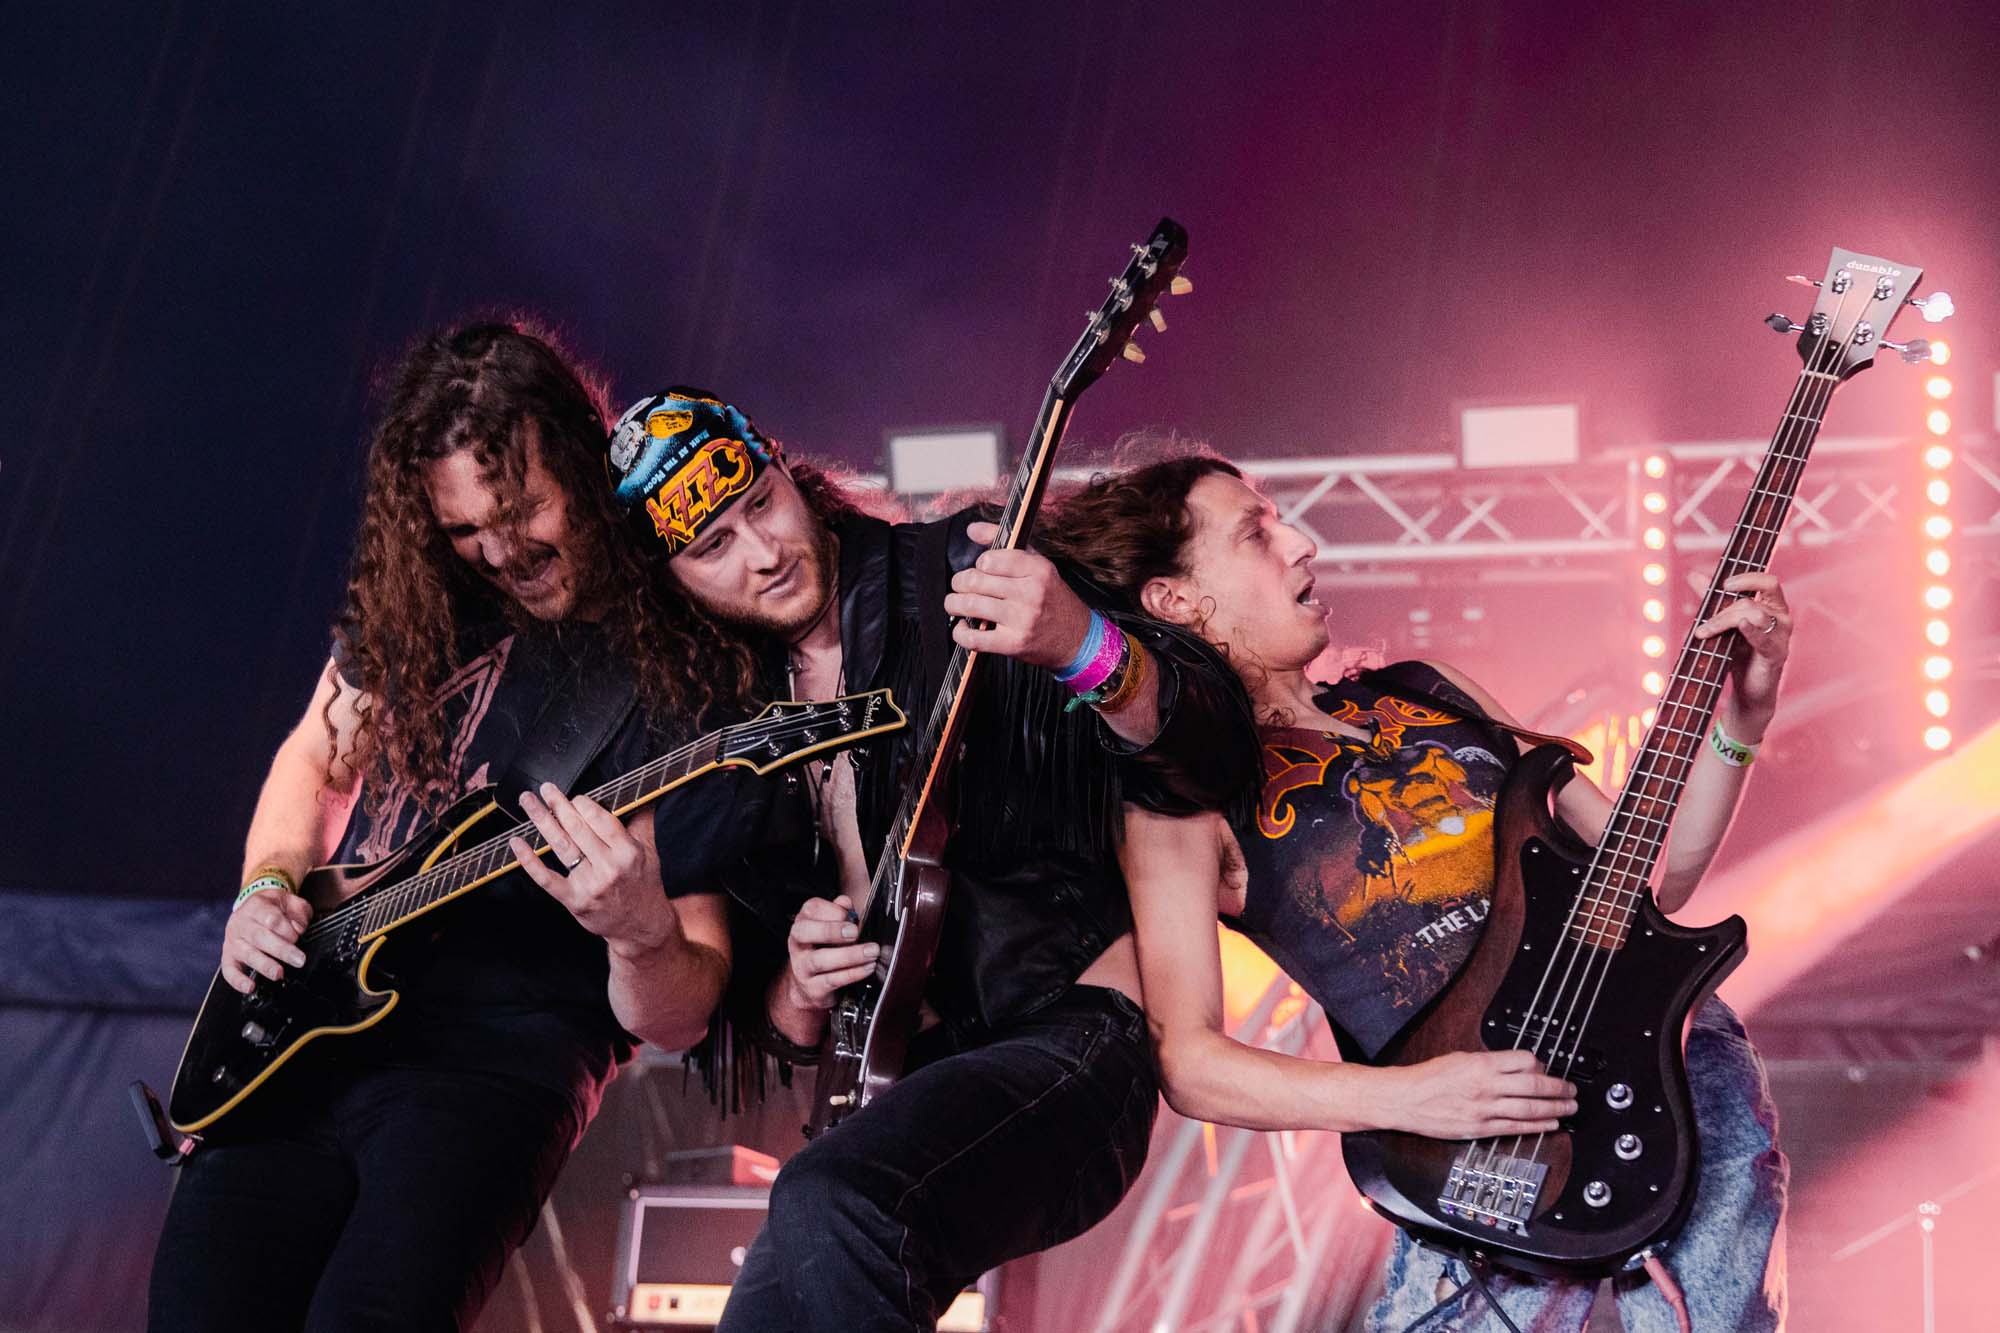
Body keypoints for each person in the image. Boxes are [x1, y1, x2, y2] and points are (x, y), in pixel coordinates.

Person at [1044, 453, 1788, 1332]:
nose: (1302, 543)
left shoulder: (1431, 690)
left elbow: (1647, 878)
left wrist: (1745, 715)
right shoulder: (1182, 796)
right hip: (1481, 1151)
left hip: (1668, 1066)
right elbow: (1191, 1062)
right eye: (1256, 533)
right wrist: (1411, 1098)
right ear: (1177, 599)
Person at [598, 389, 1261, 1331]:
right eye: (713, 546)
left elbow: (1215, 743)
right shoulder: (726, 730)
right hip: (901, 1088)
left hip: (1070, 1041)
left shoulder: (956, 568)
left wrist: (1081, 643)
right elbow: (759, 1025)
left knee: (831, 1195)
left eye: (760, 503)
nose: (763, 551)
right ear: (670, 581)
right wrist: (798, 982)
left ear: (787, 469)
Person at [148, 323, 766, 1332]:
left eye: (521, 511)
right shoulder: (428, 594)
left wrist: (640, 931)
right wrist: (266, 887)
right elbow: (314, 756)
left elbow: (681, 1013)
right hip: (309, 1029)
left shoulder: (676, 662)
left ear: (581, 465)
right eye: (466, 528)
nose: (501, 552)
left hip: (497, 1060)